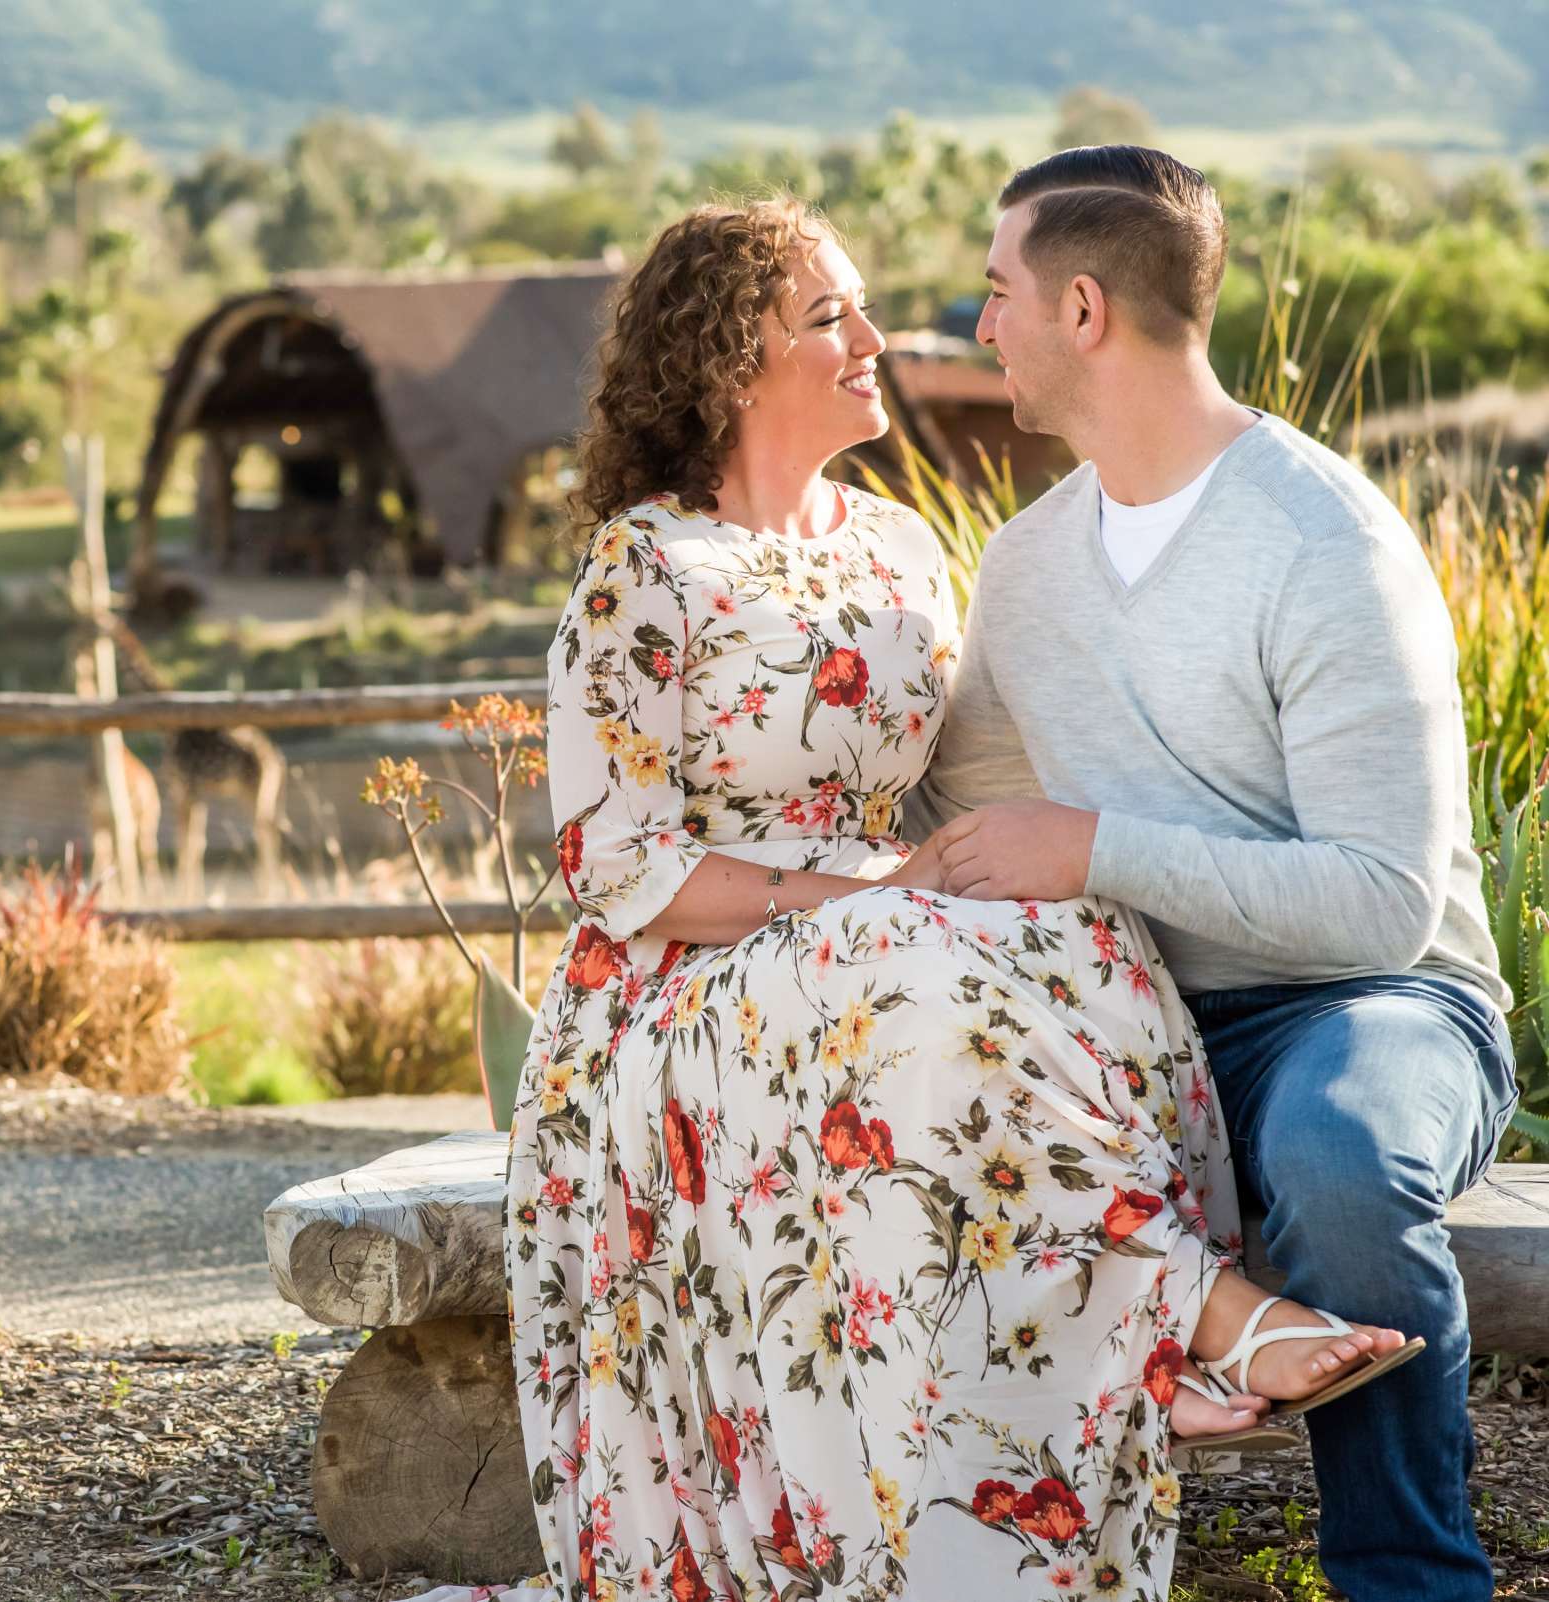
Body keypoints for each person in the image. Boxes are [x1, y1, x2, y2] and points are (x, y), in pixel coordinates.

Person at [409, 197, 1411, 1602]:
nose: (876, 340)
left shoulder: (901, 549)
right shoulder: (646, 570)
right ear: (728, 361)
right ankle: (1183, 1314)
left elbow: (967, 781)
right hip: (680, 994)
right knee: (907, 954)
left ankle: (1121, 1345)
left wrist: (1066, 859)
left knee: (1074, 925)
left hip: (876, 962)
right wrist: (861, 890)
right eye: (832, 318)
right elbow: (618, 867)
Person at [906, 145, 1519, 1602]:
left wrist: (1102, 850)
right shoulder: (1027, 566)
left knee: (1335, 1155)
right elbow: (964, 813)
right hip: (1131, 1029)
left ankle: (1410, 1577)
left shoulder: (1324, 545)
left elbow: (1384, 900)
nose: (979, 326)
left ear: (1081, 310)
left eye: (996, 294)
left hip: (1368, 1009)